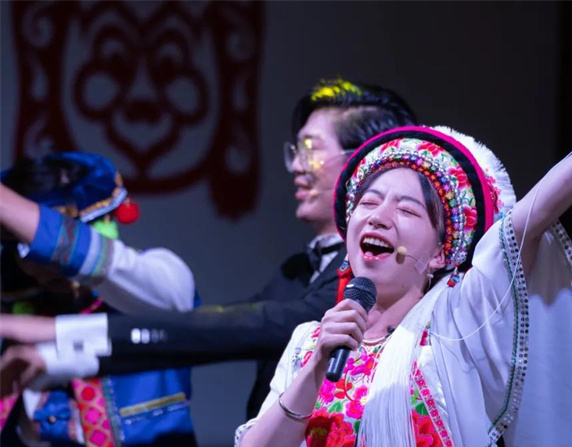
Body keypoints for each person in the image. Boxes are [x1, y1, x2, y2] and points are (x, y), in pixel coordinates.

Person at [233, 37, 572, 447]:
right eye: (368, 203)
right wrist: (315, 368)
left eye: (407, 209)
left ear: (439, 253)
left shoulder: (455, 322)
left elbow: (532, 218)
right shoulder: (310, 344)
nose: (379, 217)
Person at [0, 78, 417, 421]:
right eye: (295, 151)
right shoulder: (297, 270)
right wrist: (58, 357)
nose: (295, 166)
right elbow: (205, 333)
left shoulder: (382, 269)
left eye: (310, 150)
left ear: (367, 161)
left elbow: (257, 328)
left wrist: (57, 333)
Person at [0, 152, 203, 447]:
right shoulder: (16, 311)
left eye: (48, 239)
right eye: (27, 245)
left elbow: (111, 273)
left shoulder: (161, 278)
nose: (47, 259)